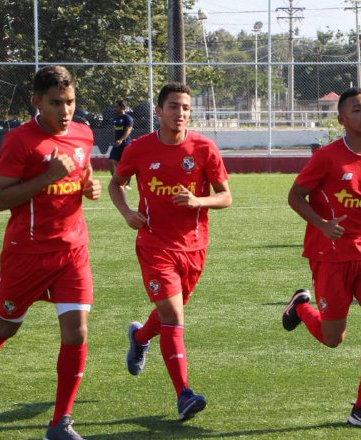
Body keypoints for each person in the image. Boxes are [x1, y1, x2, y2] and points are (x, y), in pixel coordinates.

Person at [0, 65, 101, 440]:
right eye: (56, 103)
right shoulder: (19, 141)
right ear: (37, 102)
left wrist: (89, 186)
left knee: (77, 332)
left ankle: (60, 422)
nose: (66, 111)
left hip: (72, 249)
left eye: (71, 102)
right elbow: (0, 200)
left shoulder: (83, 134)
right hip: (26, 253)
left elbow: (84, 171)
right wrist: (46, 178)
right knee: (7, 326)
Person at [282, 87, 361, 430]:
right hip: (330, 256)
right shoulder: (326, 157)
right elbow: (295, 195)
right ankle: (301, 307)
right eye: (356, 109)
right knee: (333, 338)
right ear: (342, 119)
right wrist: (322, 224)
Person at [108, 82, 232, 421]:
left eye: (186, 108)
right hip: (154, 245)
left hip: (194, 247)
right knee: (174, 317)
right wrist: (127, 212)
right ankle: (184, 395)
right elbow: (116, 184)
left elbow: (226, 196)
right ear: (159, 111)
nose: (181, 113)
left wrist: (199, 200)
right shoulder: (140, 149)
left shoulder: (204, 149)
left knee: (167, 316)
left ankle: (140, 337)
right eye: (174, 107)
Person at [109, 99, 134, 189]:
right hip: (116, 144)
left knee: (126, 164)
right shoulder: (115, 119)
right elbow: (115, 131)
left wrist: (121, 140)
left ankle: (127, 184)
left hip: (125, 144)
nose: (115, 108)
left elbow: (128, 130)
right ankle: (116, 181)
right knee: (111, 161)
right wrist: (115, 140)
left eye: (117, 107)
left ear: (122, 108)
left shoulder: (128, 118)